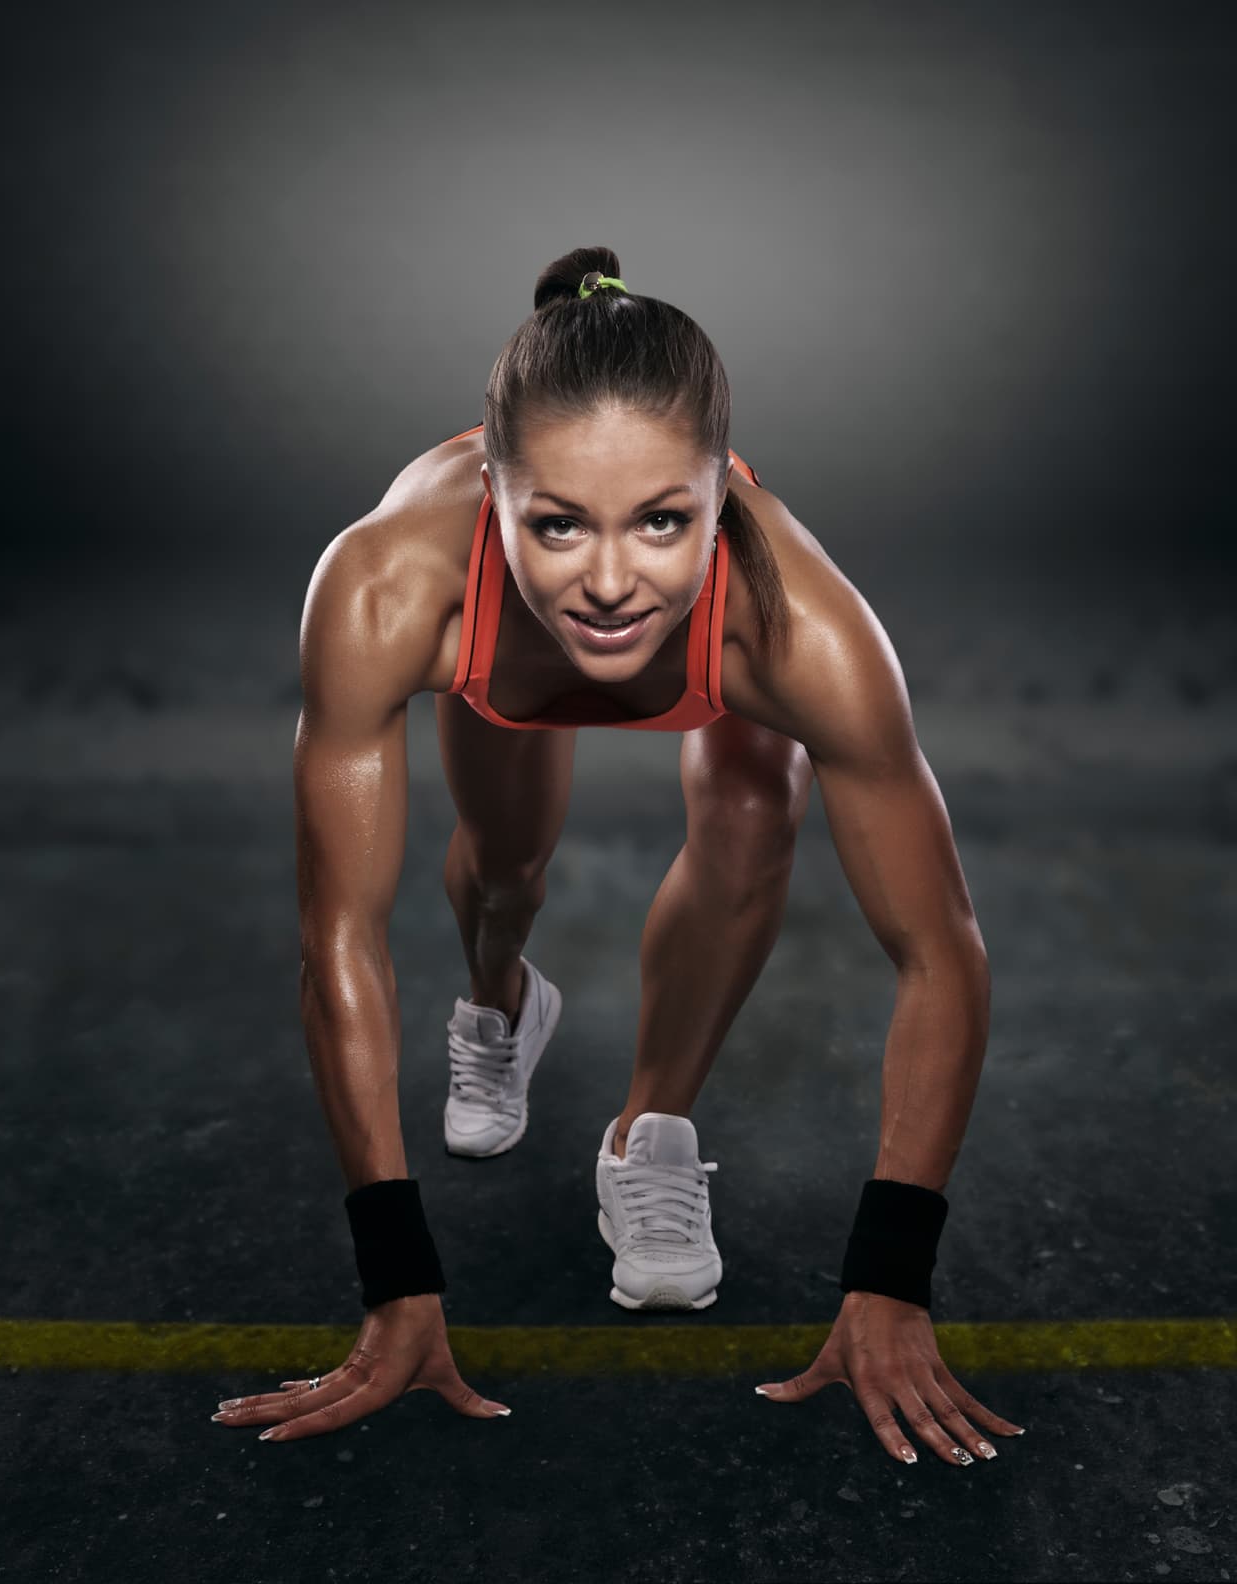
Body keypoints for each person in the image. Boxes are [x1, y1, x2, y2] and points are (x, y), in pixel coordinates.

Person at [208, 247, 1025, 1465]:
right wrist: (397, 1282)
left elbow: (937, 952)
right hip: (498, 661)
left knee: (756, 807)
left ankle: (649, 1129)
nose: (605, 583)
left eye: (660, 520)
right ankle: (498, 1004)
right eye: (554, 524)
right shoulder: (389, 586)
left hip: (719, 664)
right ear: (492, 496)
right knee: (502, 871)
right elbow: (341, 936)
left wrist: (891, 1279)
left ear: (720, 495)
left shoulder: (800, 626)